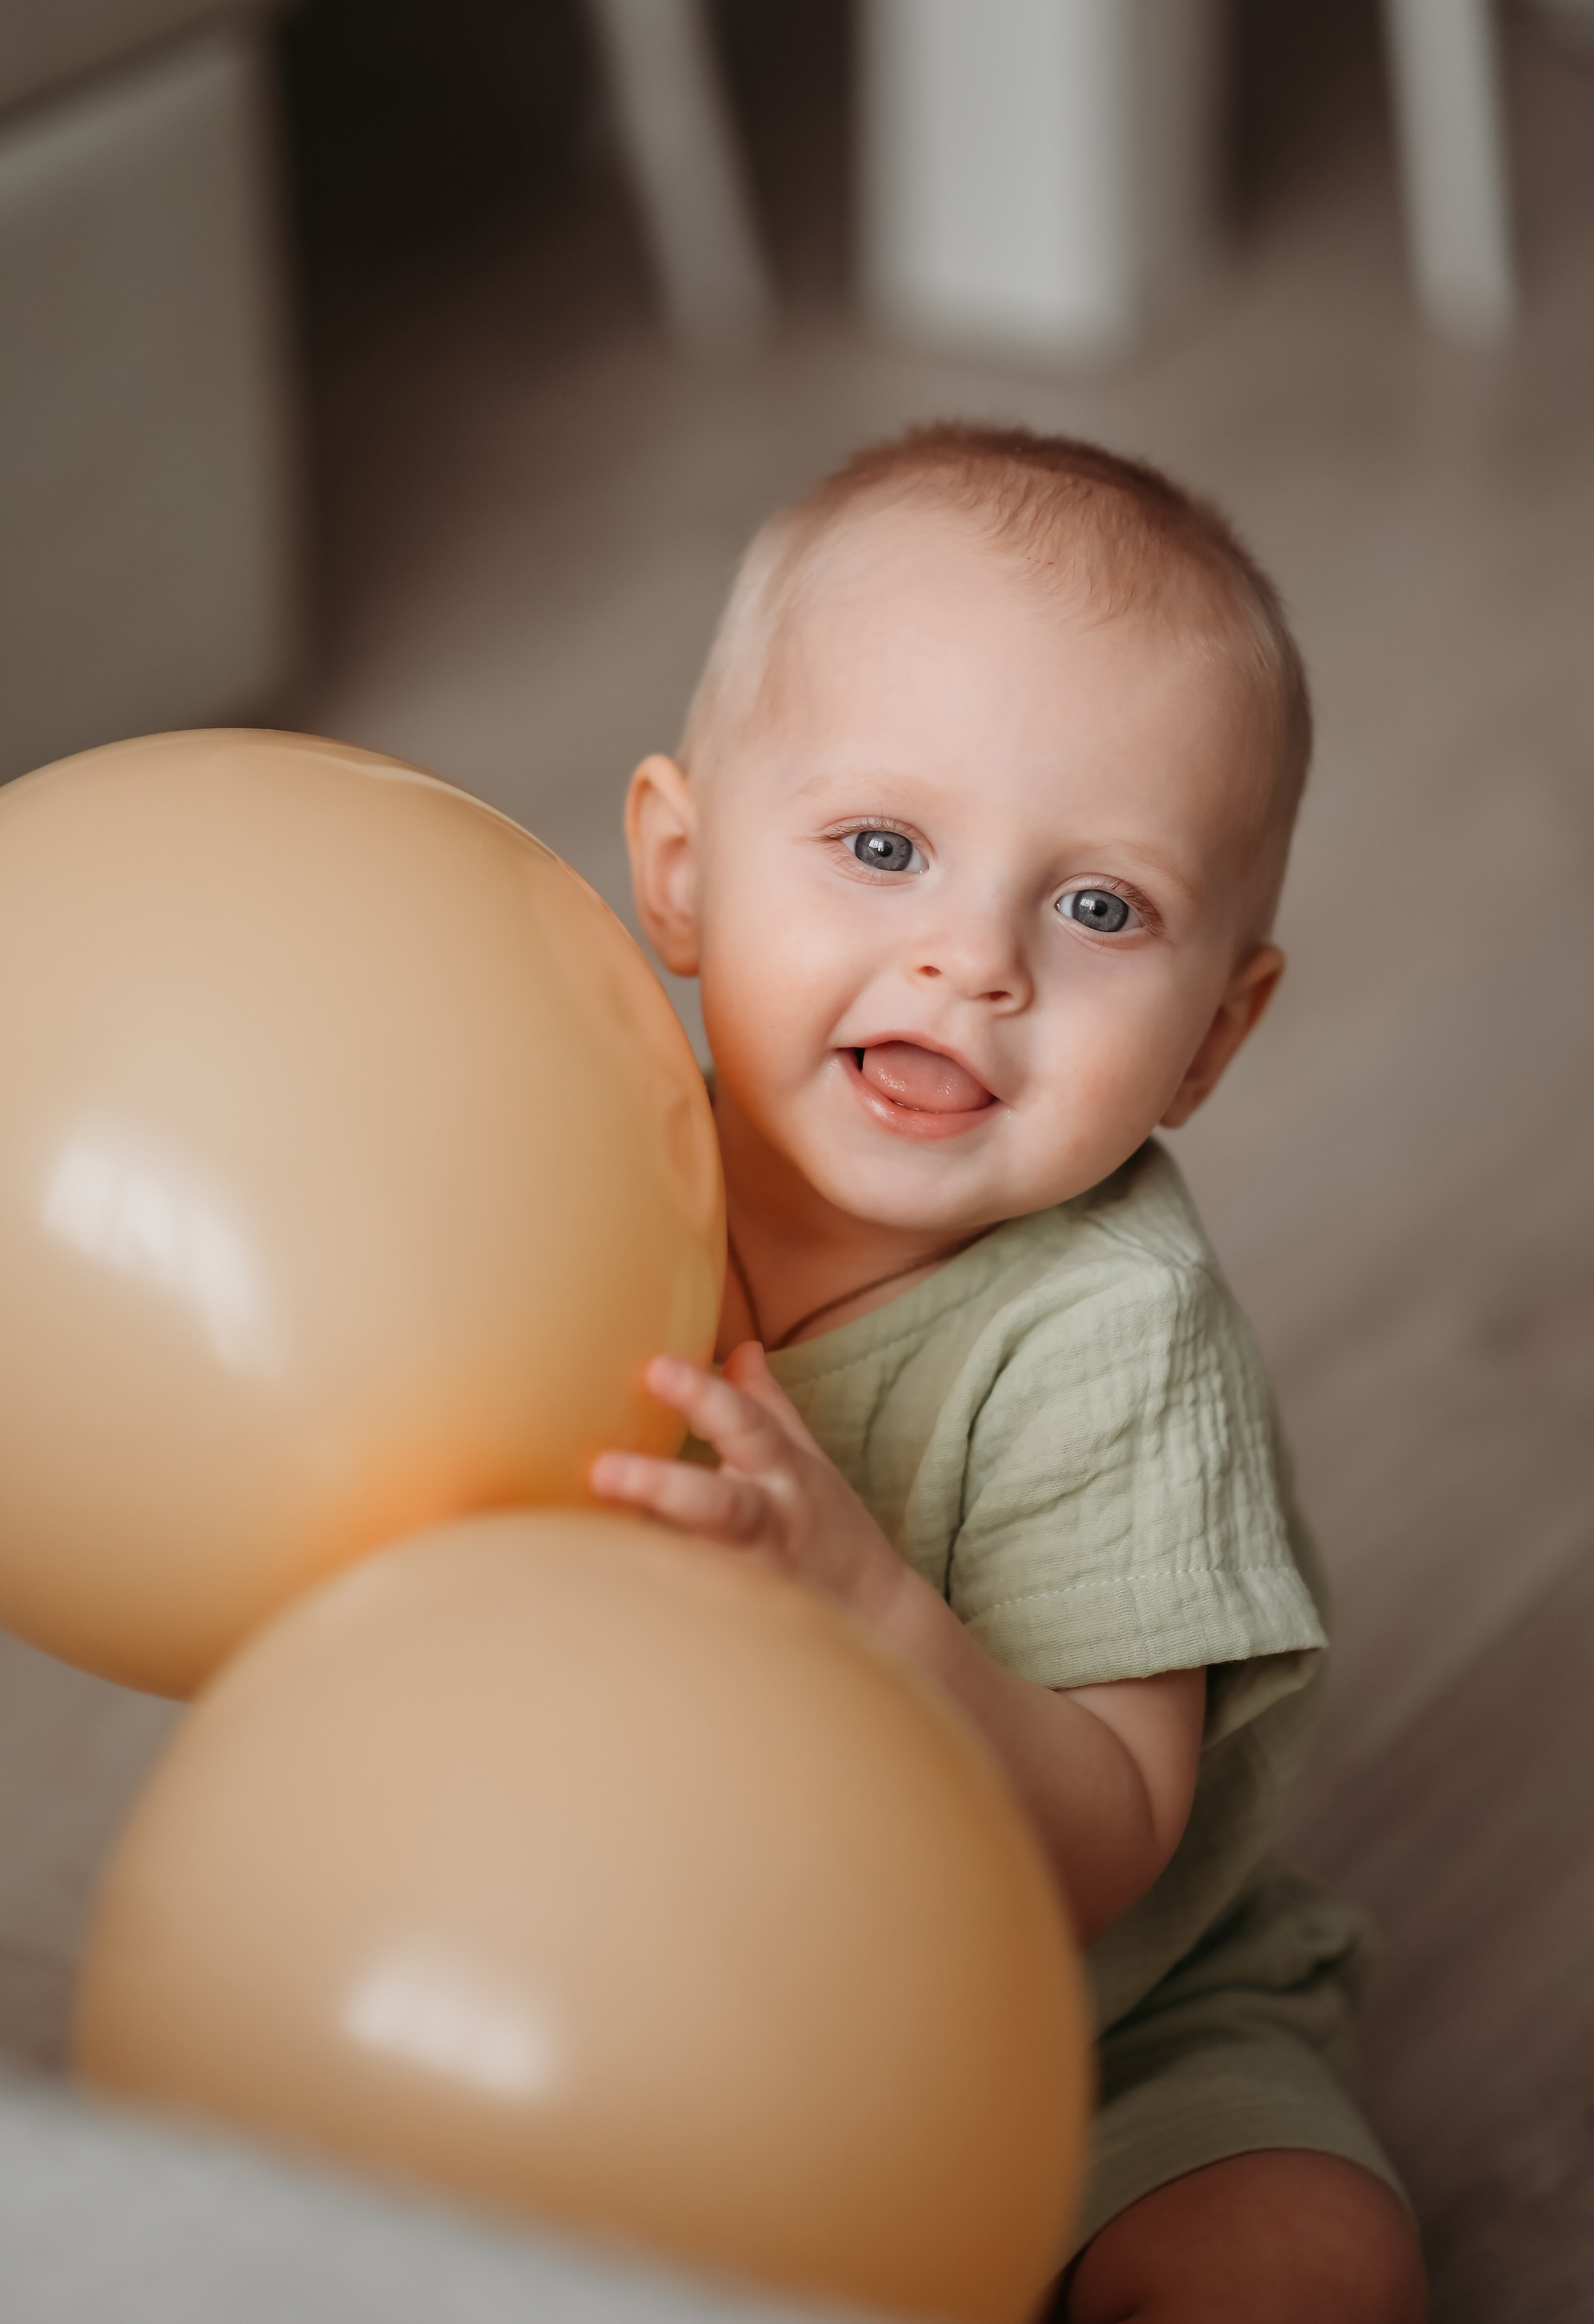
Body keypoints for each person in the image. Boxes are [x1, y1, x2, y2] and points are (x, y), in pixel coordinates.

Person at [590, 425, 1426, 2323]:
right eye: (884, 848)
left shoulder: (1114, 1334)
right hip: (661, 1954)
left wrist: (860, 1597)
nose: (972, 960)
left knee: (1306, 2273)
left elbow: (1102, 1857)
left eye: (1101, 908)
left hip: (1085, 2026)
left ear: (1214, 1042)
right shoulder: (571, 1150)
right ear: (683, 869)